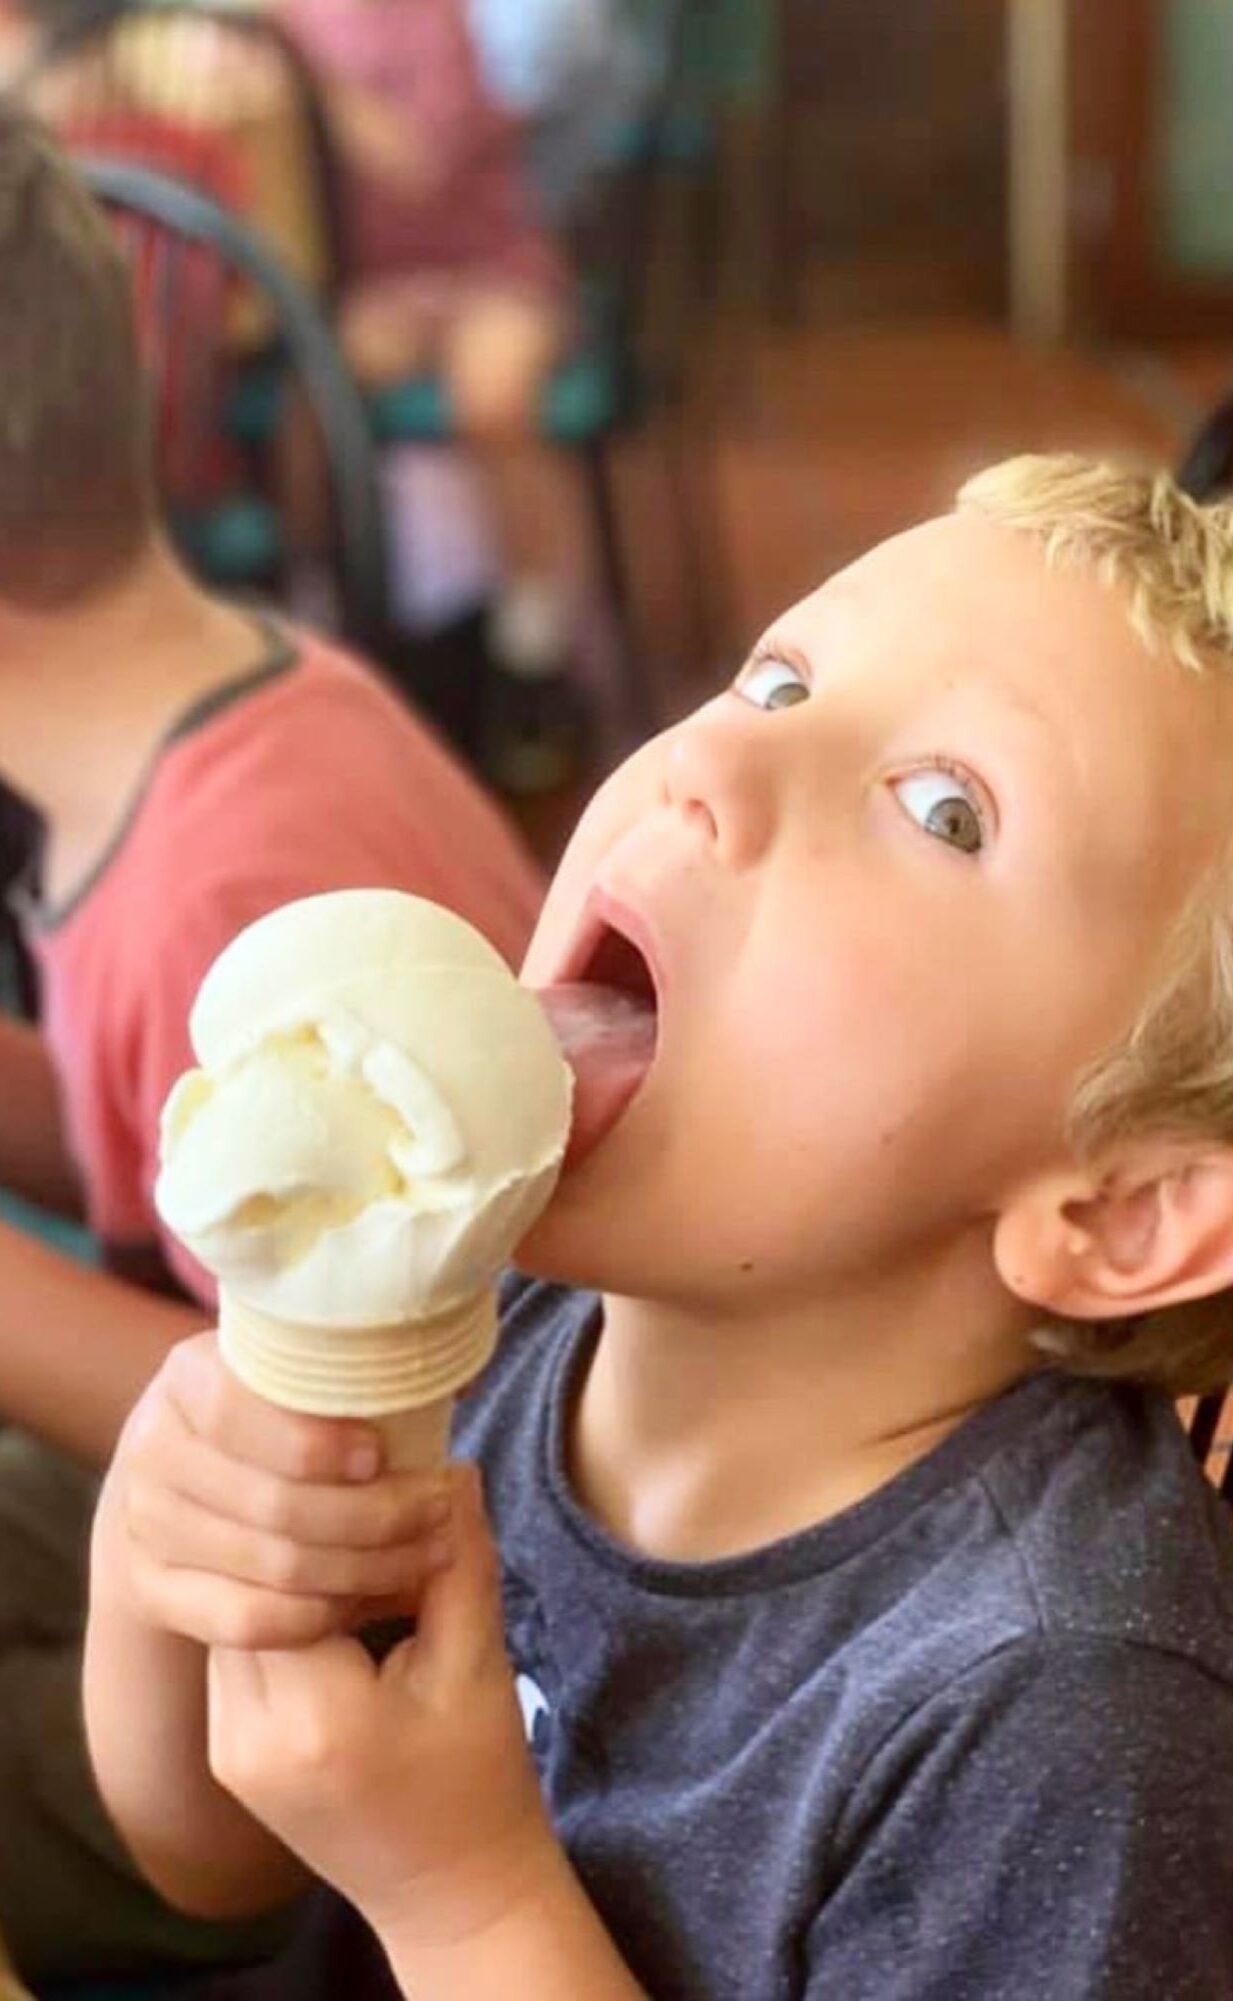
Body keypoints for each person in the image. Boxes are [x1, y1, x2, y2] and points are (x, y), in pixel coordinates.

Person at [83, 450, 1233, 2000]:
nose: (706, 761)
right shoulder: (500, 1308)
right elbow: (208, 1863)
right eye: (778, 681)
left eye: (943, 809)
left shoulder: (1075, 1726)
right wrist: (158, 1568)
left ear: (1121, 1211)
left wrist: (465, 1899)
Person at [0, 103, 543, 1985]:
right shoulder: (205, 711)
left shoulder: (220, 890)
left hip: (392, 1670)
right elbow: (139, 1139)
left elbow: (316, 1427)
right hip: (241, 1511)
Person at [276, 0, 592, 794]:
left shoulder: (428, 19)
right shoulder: (273, 20)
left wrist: (308, 78)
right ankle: (327, 625)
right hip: (371, 289)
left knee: (493, 396)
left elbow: (419, 162)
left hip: (485, 271)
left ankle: (534, 645)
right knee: (299, 390)